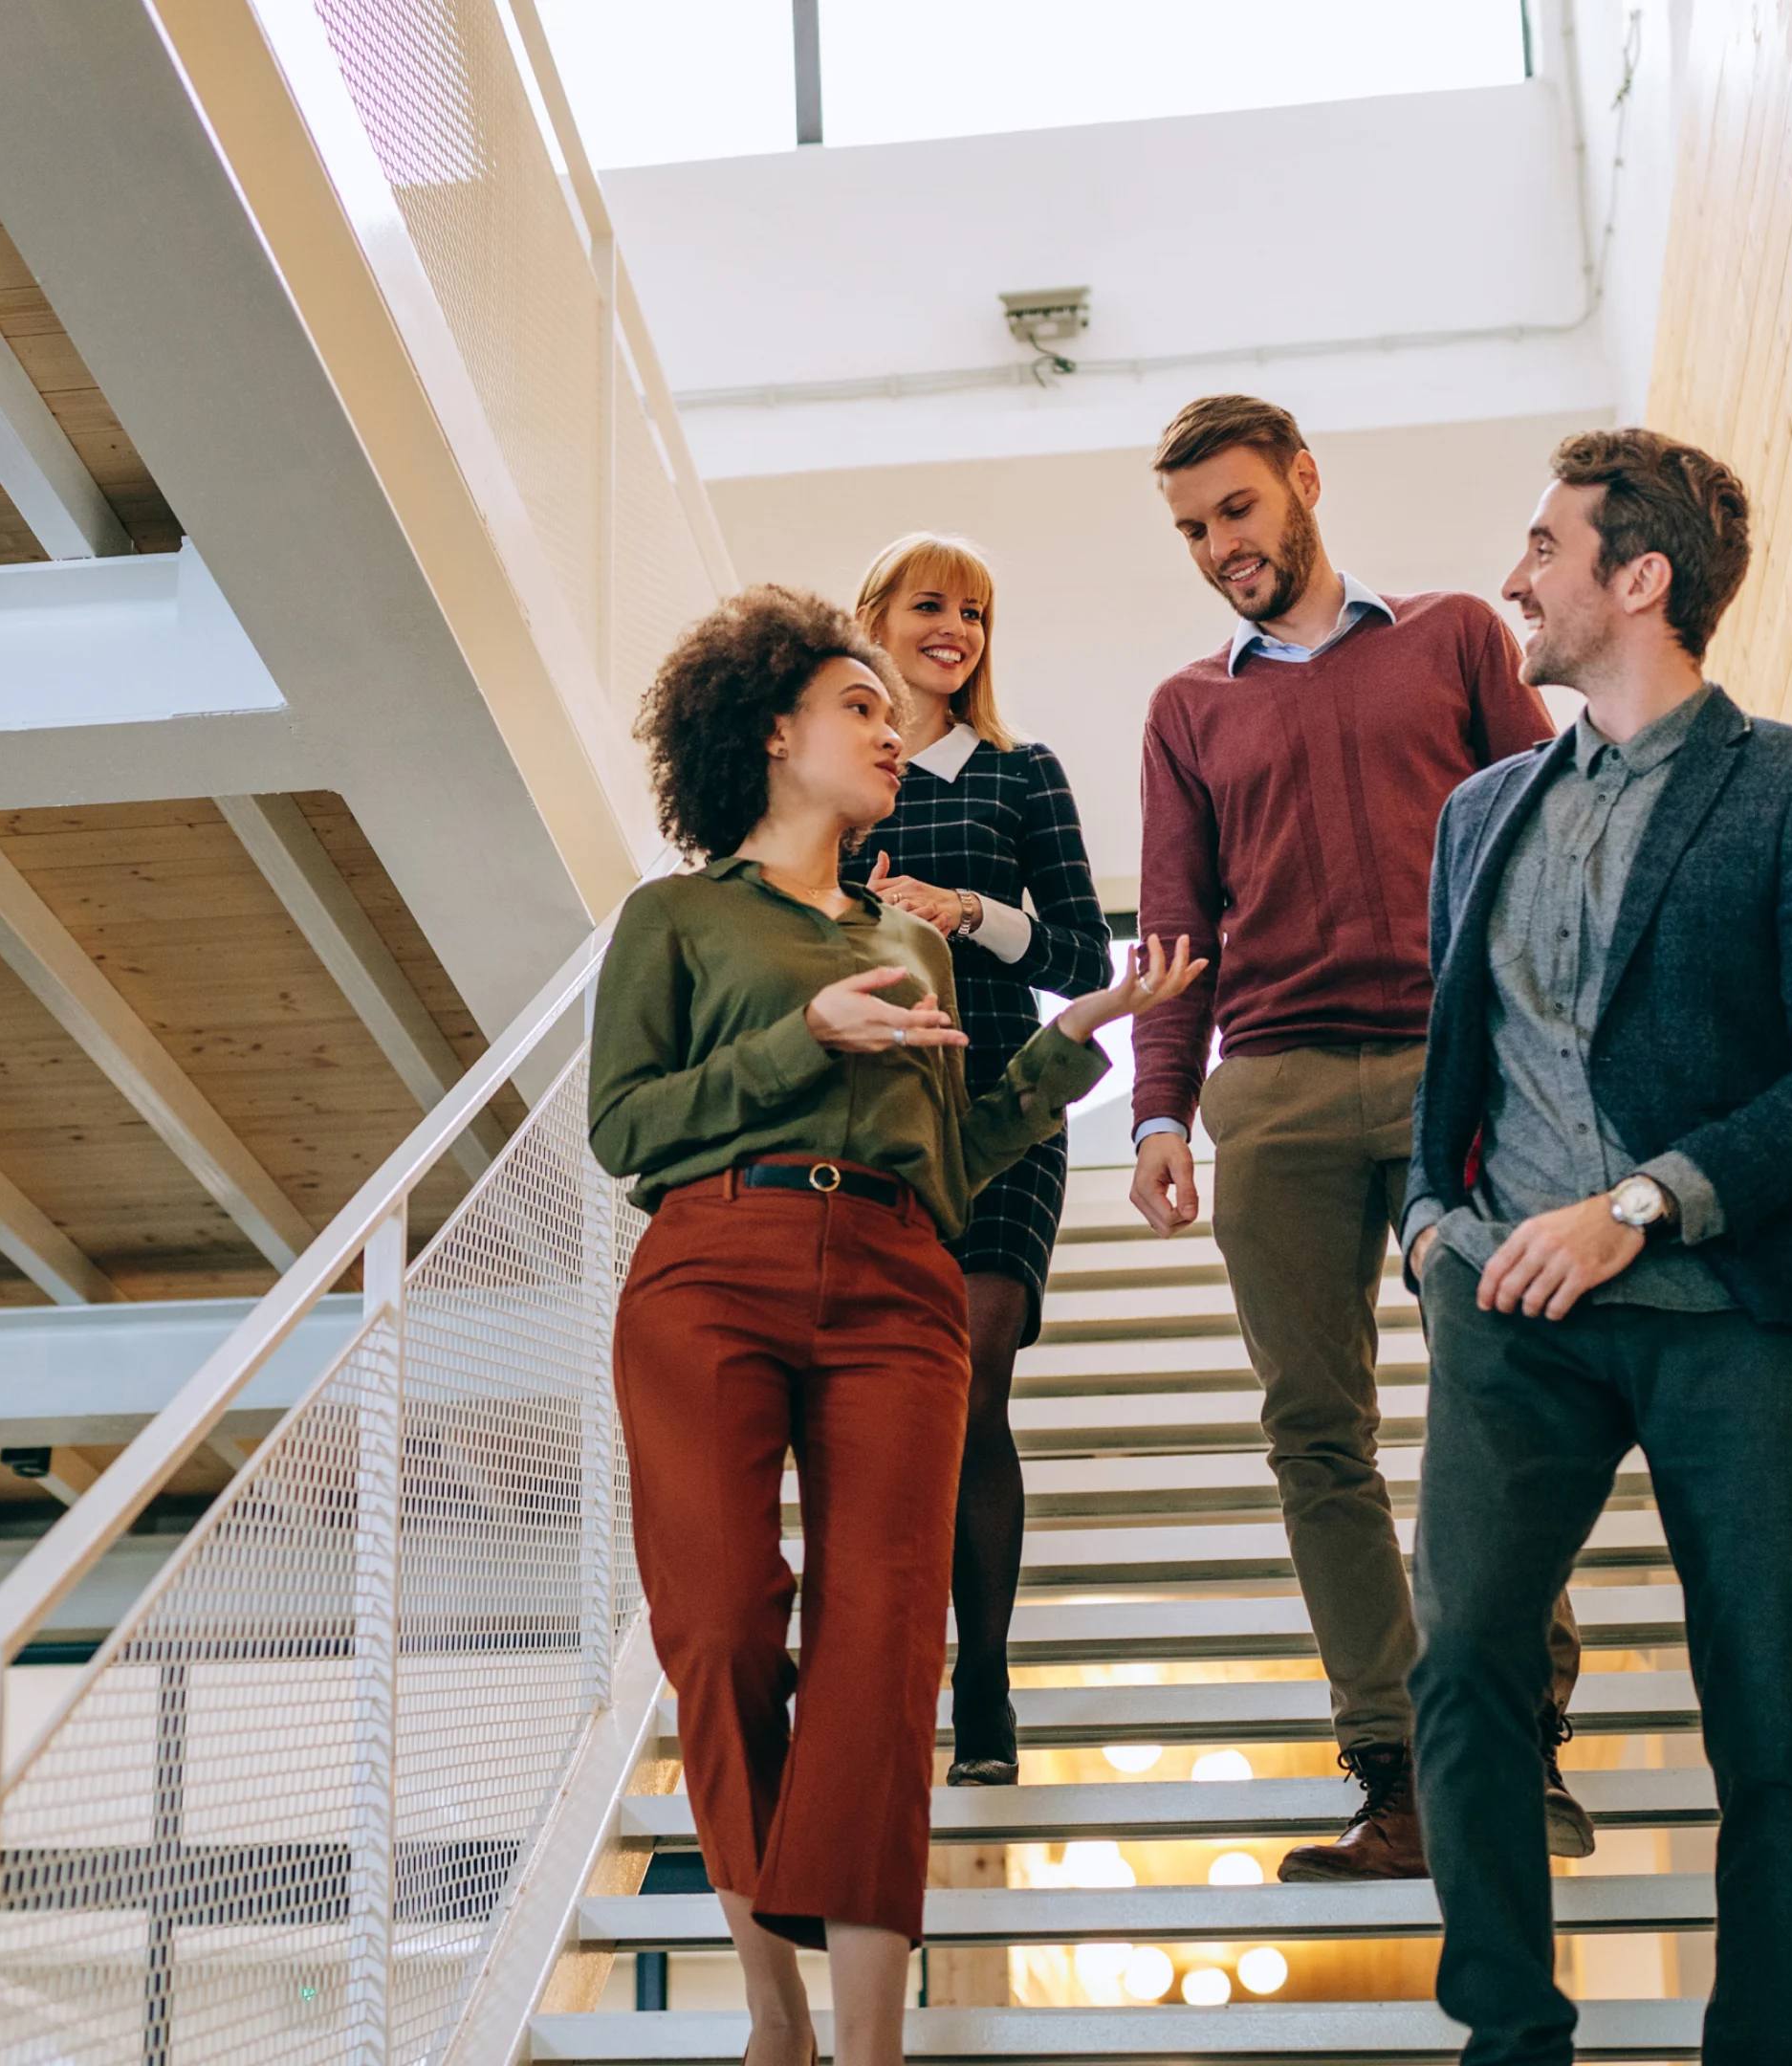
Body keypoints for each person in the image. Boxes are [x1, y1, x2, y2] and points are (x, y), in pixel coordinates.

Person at [590, 584, 1200, 2066]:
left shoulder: (913, 946)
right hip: (712, 1261)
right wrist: (801, 1037)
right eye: (858, 708)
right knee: (727, 1616)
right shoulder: (674, 919)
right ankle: (774, 2016)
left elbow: (958, 1144)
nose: (889, 731)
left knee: (884, 1645)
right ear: (775, 733)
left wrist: (1070, 1048)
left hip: (900, 1277)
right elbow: (624, 1127)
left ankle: (868, 2047)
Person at [1402, 429, 1792, 2064]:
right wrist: (1429, 1228)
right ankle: (1510, 2042)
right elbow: (1456, 1049)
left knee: (1769, 1723)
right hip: (1514, 1312)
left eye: (1543, 547)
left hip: (1737, 1310)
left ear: (1641, 580)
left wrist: (1642, 1206)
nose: (1512, 579)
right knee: (1465, 1670)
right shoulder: (1481, 810)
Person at [1128, 393, 1588, 1879]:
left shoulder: (1453, 634)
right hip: (1270, 1087)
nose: (1219, 548)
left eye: (1238, 512)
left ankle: (1513, 1745)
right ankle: (1394, 1772)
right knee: (1314, 1433)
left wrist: (1564, 1051)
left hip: (1464, 1069)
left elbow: (1549, 837)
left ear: (1303, 485)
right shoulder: (1188, 709)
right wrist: (1157, 1107)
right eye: (1195, 529)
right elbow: (1177, 925)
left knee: (1502, 1396)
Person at [855, 531, 1114, 1788]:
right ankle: (903, 1661)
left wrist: (973, 914)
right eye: (928, 605)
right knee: (894, 1408)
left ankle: (988, 1679)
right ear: (876, 619)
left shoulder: (1022, 774)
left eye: (974, 610)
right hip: (869, 1118)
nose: (953, 628)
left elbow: (1080, 954)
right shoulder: (847, 774)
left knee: (975, 1385)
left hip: (1009, 1103)